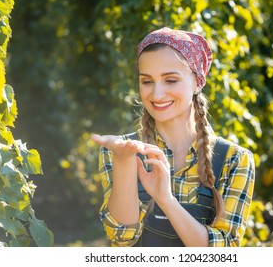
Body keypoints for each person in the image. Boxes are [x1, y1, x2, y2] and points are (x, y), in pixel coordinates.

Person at [92, 27, 255, 247]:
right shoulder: (121, 151)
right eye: (147, 81)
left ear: (197, 82)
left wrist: (166, 200)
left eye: (170, 80)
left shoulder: (234, 159)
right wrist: (123, 161)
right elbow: (122, 239)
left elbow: (223, 252)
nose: (157, 94)